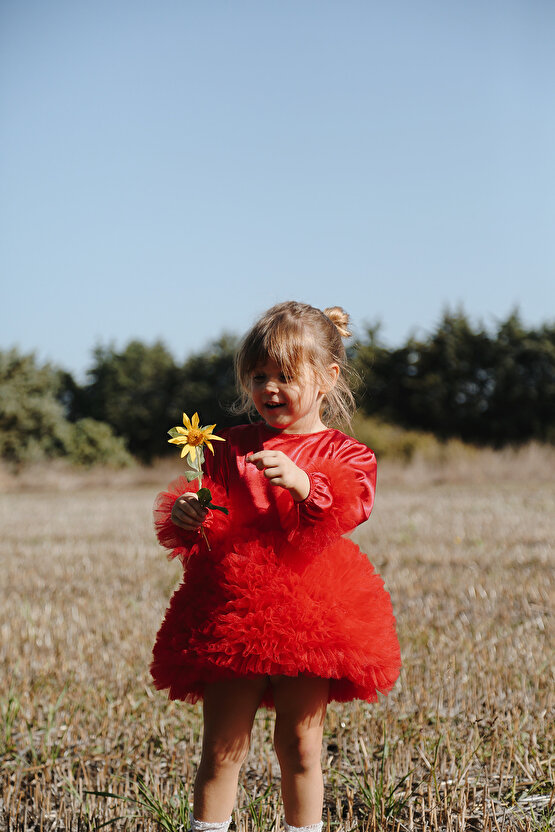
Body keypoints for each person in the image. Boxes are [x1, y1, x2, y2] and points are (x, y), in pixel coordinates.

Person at [151, 301, 401, 832]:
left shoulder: (346, 453)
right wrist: (190, 516)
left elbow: (353, 505)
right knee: (222, 749)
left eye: (286, 376)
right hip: (232, 610)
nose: (269, 388)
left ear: (328, 379)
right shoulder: (228, 448)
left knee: (300, 746)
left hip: (313, 613)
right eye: (258, 375)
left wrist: (305, 483)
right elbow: (210, 519)